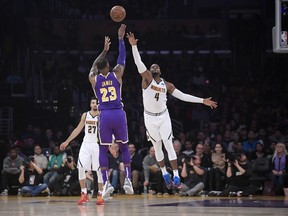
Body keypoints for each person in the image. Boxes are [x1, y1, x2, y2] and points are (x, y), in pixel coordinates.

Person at [127, 32, 217, 189]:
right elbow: (138, 62)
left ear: (160, 71)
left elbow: (183, 96)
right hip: (149, 118)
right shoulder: (146, 78)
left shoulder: (167, 85)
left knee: (168, 144)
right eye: (152, 66)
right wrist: (134, 45)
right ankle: (164, 172)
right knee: (157, 146)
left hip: (163, 116)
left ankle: (176, 175)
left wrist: (202, 100)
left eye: (157, 66)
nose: (154, 66)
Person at [88, 24, 133, 198]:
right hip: (118, 114)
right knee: (124, 146)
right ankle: (128, 179)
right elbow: (122, 58)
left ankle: (105, 183)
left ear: (99, 68)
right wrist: (121, 39)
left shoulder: (94, 78)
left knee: (103, 149)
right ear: (108, 65)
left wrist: (104, 50)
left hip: (104, 115)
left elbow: (93, 66)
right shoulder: (116, 73)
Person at [60, 97, 104, 205]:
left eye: (97, 103)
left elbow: (108, 131)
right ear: (90, 104)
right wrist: (67, 141)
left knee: (99, 171)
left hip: (97, 144)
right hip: (86, 144)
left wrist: (111, 145)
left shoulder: (102, 115)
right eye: (93, 102)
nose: (95, 104)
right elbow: (78, 129)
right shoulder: (85, 115)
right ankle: (84, 194)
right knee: (81, 168)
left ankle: (100, 195)